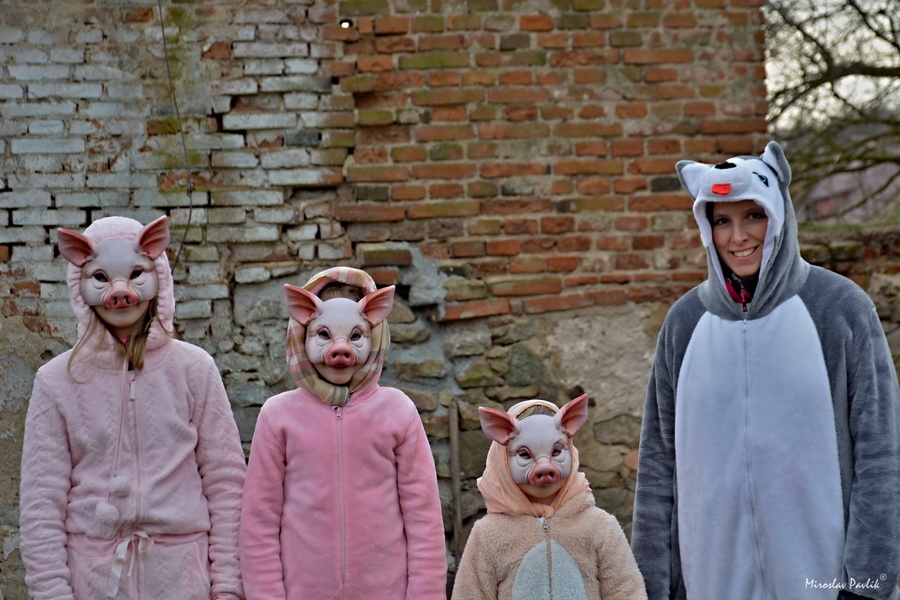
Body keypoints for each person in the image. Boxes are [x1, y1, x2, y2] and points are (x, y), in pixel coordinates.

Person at [631, 141, 900, 600]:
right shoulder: (684, 323)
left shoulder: (840, 309)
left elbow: (881, 452)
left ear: (778, 214)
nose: (738, 237)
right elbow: (658, 464)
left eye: (753, 215)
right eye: (722, 221)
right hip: (711, 582)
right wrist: (650, 585)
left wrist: (867, 583)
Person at [19, 216, 246, 600]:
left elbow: (227, 485)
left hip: (183, 580)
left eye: (136, 274)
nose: (119, 292)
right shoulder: (56, 381)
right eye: (101, 278)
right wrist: (52, 593)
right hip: (92, 582)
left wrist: (227, 587)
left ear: (158, 274)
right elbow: (42, 502)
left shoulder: (194, 369)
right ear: (80, 283)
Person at [239, 267, 446, 599]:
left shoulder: (398, 411)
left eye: (355, 336)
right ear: (301, 333)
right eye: (323, 334)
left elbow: (424, 520)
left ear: (375, 335)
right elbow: (259, 522)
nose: (340, 349)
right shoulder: (277, 416)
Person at [452, 396, 647, 600]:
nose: (545, 467)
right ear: (502, 460)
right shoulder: (488, 535)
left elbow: (626, 591)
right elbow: (469, 595)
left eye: (556, 451)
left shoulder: (600, 527)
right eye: (525, 455)